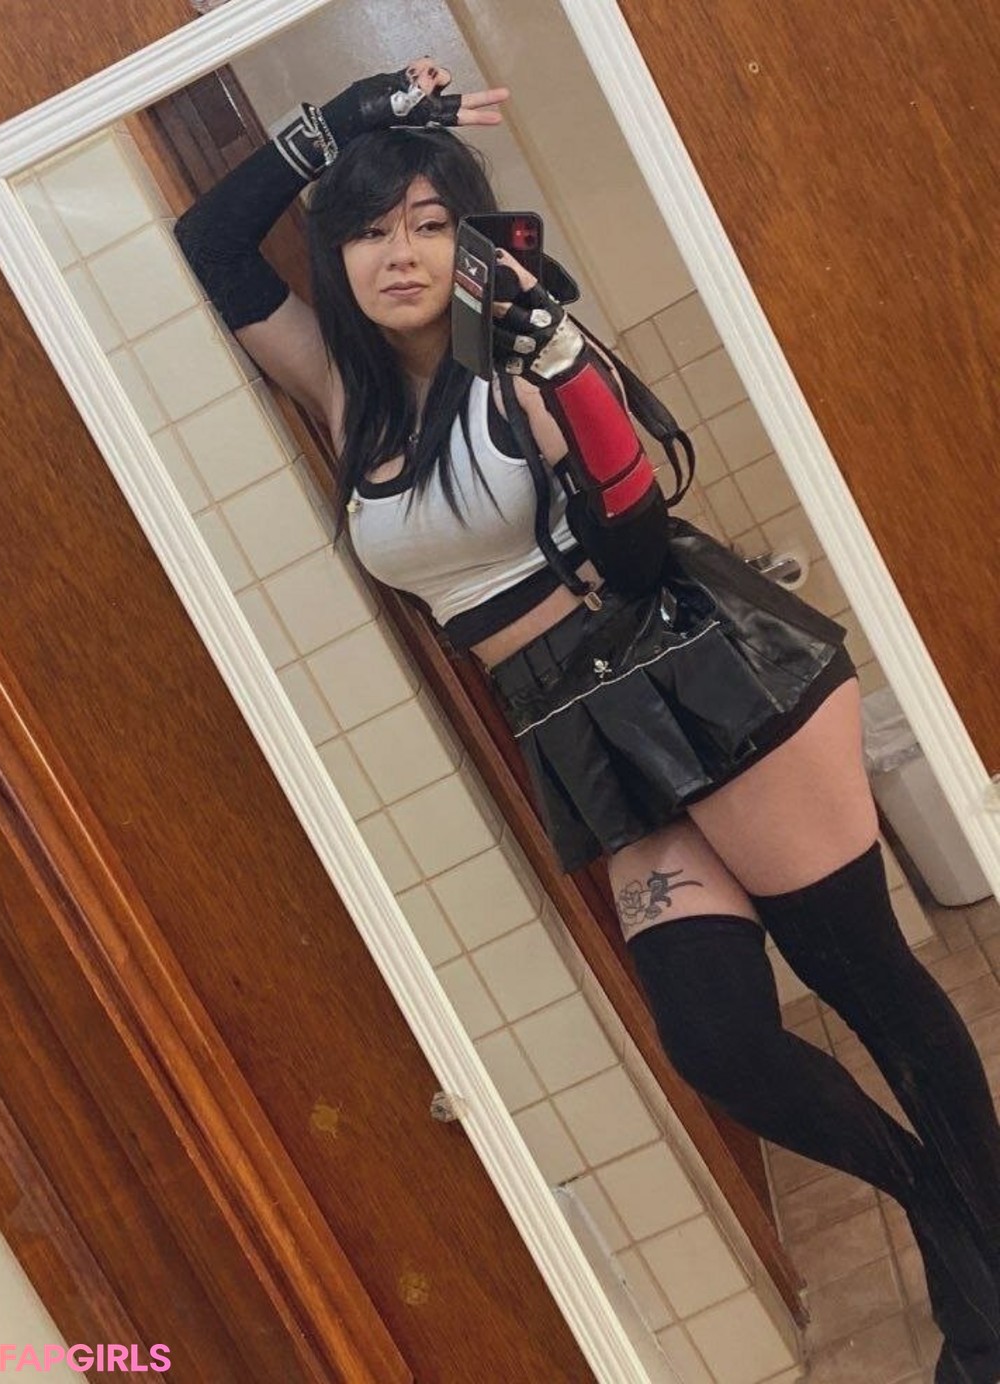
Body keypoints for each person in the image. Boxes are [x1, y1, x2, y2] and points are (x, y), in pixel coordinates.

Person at [175, 58, 1000, 1381]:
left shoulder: (521, 363)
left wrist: (564, 374)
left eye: (431, 223)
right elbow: (212, 242)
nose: (401, 253)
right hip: (579, 729)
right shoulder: (342, 390)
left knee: (872, 988)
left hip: (707, 681)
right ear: (337, 255)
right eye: (371, 230)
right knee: (719, 1042)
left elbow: (634, 551)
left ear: (471, 242)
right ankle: (944, 1207)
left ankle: (983, 1293)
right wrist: (353, 116)